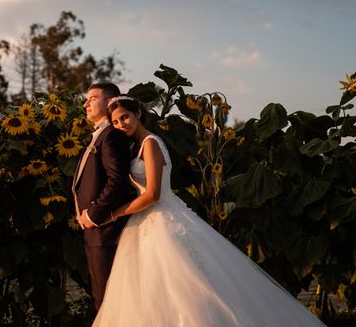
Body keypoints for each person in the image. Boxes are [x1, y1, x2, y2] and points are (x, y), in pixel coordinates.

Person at [92, 95, 326, 326]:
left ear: (138, 114)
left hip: (163, 218)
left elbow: (152, 194)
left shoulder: (150, 143)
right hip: (144, 223)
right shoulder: (134, 147)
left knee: (186, 288)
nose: (122, 124)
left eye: (125, 117)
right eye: (116, 122)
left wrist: (113, 214)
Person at [72, 83, 136, 311]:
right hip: (97, 231)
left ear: (109, 102)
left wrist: (94, 214)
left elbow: (117, 181)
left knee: (107, 301)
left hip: (105, 231)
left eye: (92, 98)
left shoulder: (111, 136)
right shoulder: (100, 136)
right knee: (104, 298)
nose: (85, 103)